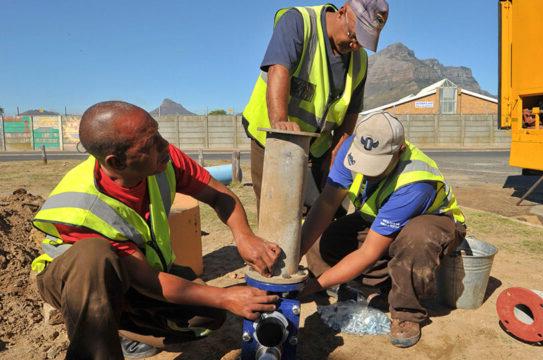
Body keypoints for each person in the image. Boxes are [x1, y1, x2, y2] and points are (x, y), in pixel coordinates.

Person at [30, 101, 282, 359]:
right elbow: (149, 282)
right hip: (73, 278)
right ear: (116, 162)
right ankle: (96, 334)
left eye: (158, 133)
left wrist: (244, 236)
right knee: (94, 257)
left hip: (138, 271)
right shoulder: (83, 210)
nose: (164, 145)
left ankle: (118, 327)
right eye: (149, 144)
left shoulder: (162, 159)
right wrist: (225, 296)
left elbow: (220, 196)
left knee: (207, 315)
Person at [298, 112, 467, 348]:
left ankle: (406, 312)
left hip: (431, 223)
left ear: (399, 151)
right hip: (381, 218)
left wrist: (313, 287)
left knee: (416, 241)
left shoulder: (415, 183)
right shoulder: (350, 147)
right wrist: (294, 256)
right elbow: (326, 203)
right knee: (321, 242)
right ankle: (372, 283)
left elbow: (368, 252)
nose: (366, 172)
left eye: (375, 166)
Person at [242, 0, 389, 210]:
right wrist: (280, 121)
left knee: (317, 210)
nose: (355, 46)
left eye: (363, 42)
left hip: (317, 146)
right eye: (353, 36)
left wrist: (337, 152)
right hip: (272, 138)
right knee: (276, 210)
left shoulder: (359, 60)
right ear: (342, 13)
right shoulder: (299, 22)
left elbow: (351, 112)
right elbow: (278, 70)